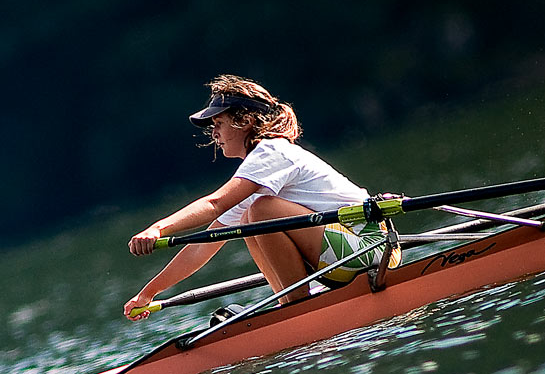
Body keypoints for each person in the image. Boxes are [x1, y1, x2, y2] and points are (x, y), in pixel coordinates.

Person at [124, 75, 395, 321]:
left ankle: (299, 312)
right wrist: (148, 293)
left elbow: (213, 203)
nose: (214, 133)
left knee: (261, 211)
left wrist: (158, 228)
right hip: (346, 254)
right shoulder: (253, 177)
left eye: (219, 123)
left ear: (246, 121)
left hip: (372, 248)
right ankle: (291, 307)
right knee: (248, 219)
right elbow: (201, 247)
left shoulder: (271, 152)